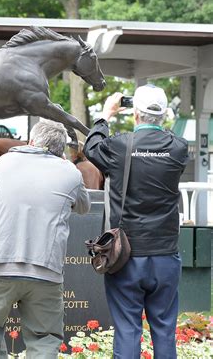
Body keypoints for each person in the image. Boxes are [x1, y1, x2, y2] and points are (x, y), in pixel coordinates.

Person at [83, 84, 189, 358]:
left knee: (128, 331)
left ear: (135, 115)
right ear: (163, 114)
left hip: (125, 256)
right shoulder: (178, 149)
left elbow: (92, 147)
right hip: (165, 255)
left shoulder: (119, 146)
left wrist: (105, 115)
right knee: (164, 331)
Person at [0, 119, 90, 359]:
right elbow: (83, 207)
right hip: (46, 270)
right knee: (44, 337)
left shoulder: (5, 162)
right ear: (61, 150)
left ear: (31, 142)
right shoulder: (70, 171)